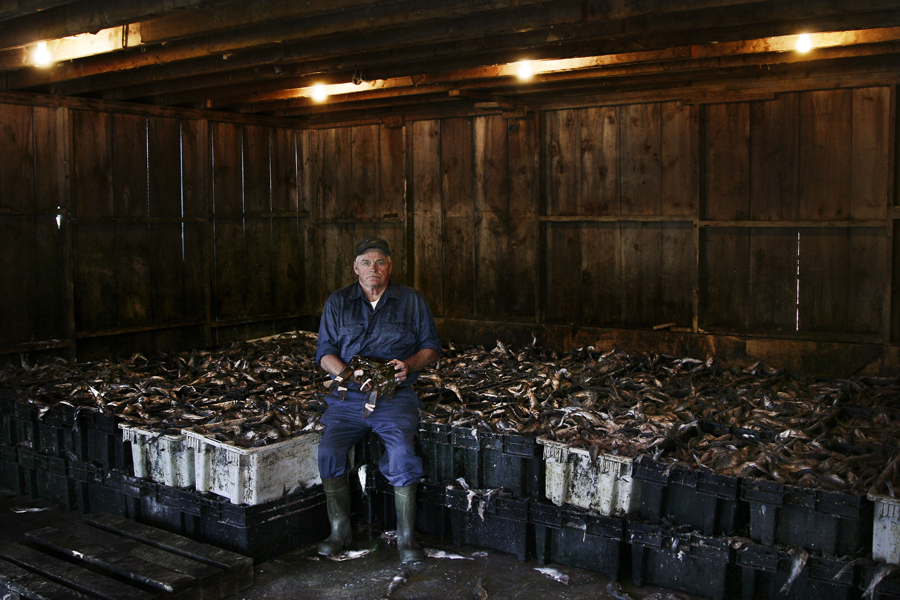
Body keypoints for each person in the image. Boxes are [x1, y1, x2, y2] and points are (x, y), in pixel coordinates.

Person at [315, 236, 440, 562]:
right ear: (356, 267)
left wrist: (410, 365)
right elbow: (324, 353)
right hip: (349, 397)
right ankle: (340, 531)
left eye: (380, 262)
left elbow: (431, 347)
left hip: (394, 397)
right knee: (329, 450)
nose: (374, 268)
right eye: (367, 263)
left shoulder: (411, 300)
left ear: (390, 267)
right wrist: (347, 373)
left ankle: (406, 537)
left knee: (401, 451)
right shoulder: (337, 302)